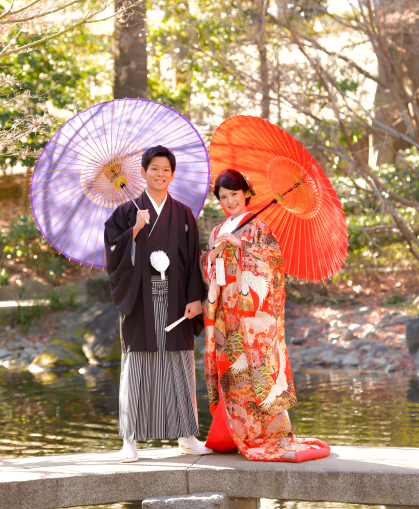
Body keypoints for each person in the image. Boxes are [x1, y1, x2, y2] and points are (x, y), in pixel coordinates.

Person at [200, 169, 330, 462]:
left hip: (252, 315)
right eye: (223, 197)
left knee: (254, 368)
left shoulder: (258, 227)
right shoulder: (218, 229)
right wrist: (211, 255)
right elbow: (207, 270)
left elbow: (272, 261)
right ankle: (235, 432)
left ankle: (265, 433)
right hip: (226, 313)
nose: (230, 201)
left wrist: (240, 245)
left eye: (234, 194)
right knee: (231, 370)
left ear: (246, 192)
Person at [104, 145, 212, 462]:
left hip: (177, 300)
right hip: (139, 301)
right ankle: (130, 440)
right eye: (154, 169)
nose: (160, 174)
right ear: (143, 172)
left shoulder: (183, 215)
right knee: (136, 367)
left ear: (172, 174)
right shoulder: (126, 213)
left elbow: (192, 260)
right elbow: (112, 252)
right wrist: (134, 230)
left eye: (166, 170)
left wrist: (195, 298)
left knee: (179, 365)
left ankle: (187, 435)